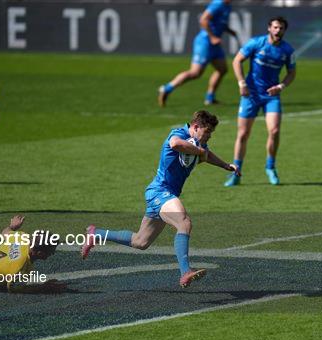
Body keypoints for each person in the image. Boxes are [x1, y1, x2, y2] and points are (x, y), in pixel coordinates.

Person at [82, 110, 240, 288]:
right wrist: (200, 151)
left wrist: (226, 165)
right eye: (208, 131)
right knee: (184, 223)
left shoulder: (199, 143)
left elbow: (207, 155)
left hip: (163, 195)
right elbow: (175, 144)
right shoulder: (179, 134)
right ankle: (185, 271)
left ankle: (97, 234)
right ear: (196, 127)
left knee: (140, 242)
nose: (210, 136)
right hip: (160, 192)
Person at [224, 16, 296, 187]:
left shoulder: (287, 50)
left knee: (275, 130)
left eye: (281, 28)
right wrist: (242, 83)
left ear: (285, 31)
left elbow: (292, 73)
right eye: (275, 27)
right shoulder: (256, 43)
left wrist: (280, 86)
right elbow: (237, 61)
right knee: (243, 134)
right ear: (269, 28)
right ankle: (236, 172)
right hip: (251, 94)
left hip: (271, 95)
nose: (278, 31)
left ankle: (270, 167)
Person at [158, 0, 236, 107]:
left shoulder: (228, 6)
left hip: (215, 45)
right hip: (205, 43)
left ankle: (210, 98)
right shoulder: (217, 4)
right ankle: (167, 88)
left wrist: (229, 30)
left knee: (222, 69)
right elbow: (203, 20)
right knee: (195, 73)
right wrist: (212, 37)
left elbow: (220, 22)